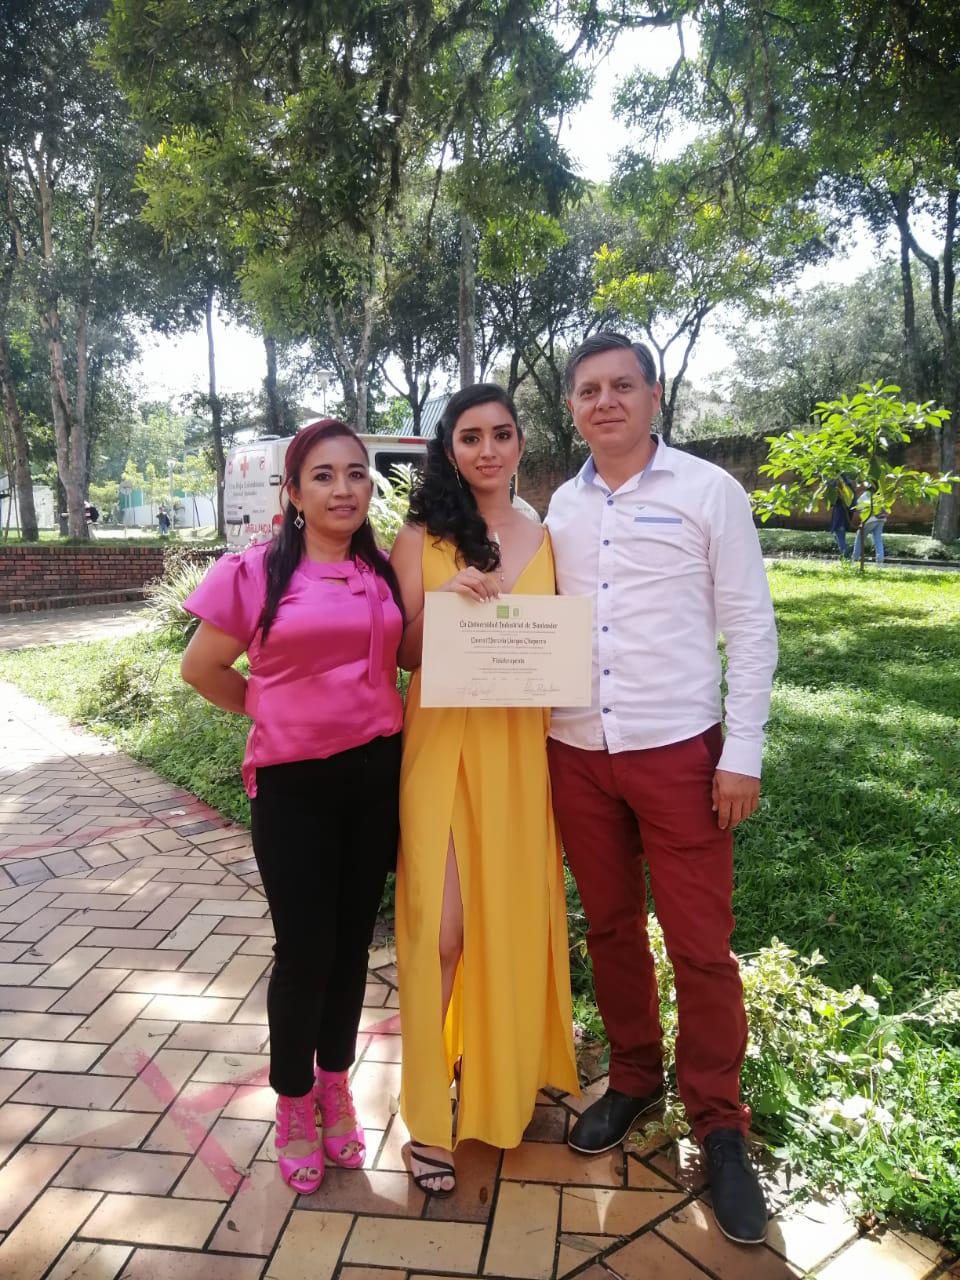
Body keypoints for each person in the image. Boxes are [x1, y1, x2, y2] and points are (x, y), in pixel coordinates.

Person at [545, 333, 778, 1245]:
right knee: (607, 926)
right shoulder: (559, 505)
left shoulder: (707, 492)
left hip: (680, 753)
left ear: (653, 397)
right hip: (575, 751)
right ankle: (636, 1075)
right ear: (572, 406)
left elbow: (749, 627)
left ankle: (720, 1125)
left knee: (702, 945)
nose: (605, 402)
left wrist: (744, 752)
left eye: (622, 387)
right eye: (588, 390)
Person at [180, 419, 404, 1195]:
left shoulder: (382, 571)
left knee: (351, 948)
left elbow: (412, 655)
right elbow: (201, 666)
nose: (343, 489)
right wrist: (271, 711)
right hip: (294, 789)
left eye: (356, 474)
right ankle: (294, 1101)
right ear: (294, 492)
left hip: (377, 777)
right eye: (323, 476)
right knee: (303, 951)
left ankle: (337, 1084)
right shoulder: (256, 574)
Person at [390, 384, 579, 1195]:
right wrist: (444, 604)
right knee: (442, 931)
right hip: (441, 748)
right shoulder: (421, 536)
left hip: (518, 750)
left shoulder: (550, 535)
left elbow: (561, 641)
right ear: (450, 447)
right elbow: (402, 649)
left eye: (502, 434)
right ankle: (426, 1115)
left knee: (509, 923)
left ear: (521, 441)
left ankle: (502, 1088)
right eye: (471, 437)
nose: (489, 450)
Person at [851, 485, 887, 564]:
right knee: (878, 539)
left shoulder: (865, 495)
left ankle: (855, 557)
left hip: (870, 520)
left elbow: (859, 508)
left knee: (860, 536)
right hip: (881, 519)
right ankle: (880, 559)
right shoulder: (879, 495)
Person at [829, 477, 855, 557]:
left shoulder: (842, 487)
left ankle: (845, 556)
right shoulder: (849, 488)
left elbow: (832, 501)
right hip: (843, 516)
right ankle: (845, 554)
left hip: (840, 517)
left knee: (840, 537)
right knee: (838, 536)